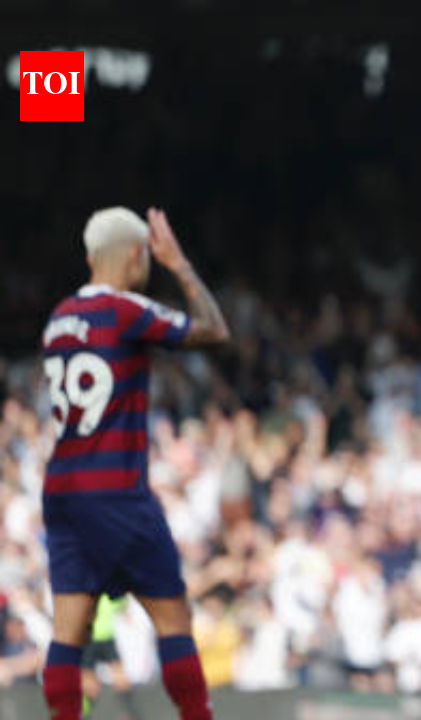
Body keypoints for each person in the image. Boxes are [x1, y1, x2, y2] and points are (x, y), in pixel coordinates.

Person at [40, 207, 229, 720]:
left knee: (67, 632)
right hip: (116, 490)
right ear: (137, 255)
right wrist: (180, 264)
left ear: (89, 258)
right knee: (173, 618)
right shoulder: (124, 310)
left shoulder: (58, 318)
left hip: (62, 492)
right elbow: (214, 330)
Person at [80, 595, 144, 720]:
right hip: (89, 641)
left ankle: (129, 714)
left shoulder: (111, 595)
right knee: (89, 684)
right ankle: (84, 715)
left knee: (121, 679)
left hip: (108, 640)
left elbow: (123, 602)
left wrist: (126, 613)